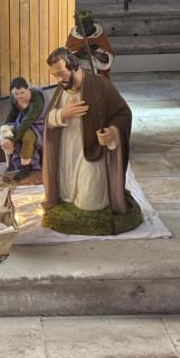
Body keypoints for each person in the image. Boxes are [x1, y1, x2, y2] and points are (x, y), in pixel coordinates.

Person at [41, 47, 142, 235]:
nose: (59, 80)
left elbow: (123, 113)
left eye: (61, 74)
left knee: (90, 203)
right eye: (55, 75)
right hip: (67, 153)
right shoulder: (62, 91)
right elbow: (48, 120)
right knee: (67, 196)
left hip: (92, 152)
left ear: (73, 66)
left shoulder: (99, 85)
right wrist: (62, 114)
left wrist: (112, 132)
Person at [0, 77, 46, 181]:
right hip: (22, 122)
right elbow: (12, 114)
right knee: (7, 134)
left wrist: (13, 139)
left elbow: (29, 119)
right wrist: (4, 128)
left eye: (22, 93)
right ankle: (11, 164)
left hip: (38, 123)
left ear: (27, 89)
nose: (19, 96)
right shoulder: (14, 98)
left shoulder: (36, 98)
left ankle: (25, 168)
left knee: (28, 137)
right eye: (16, 94)